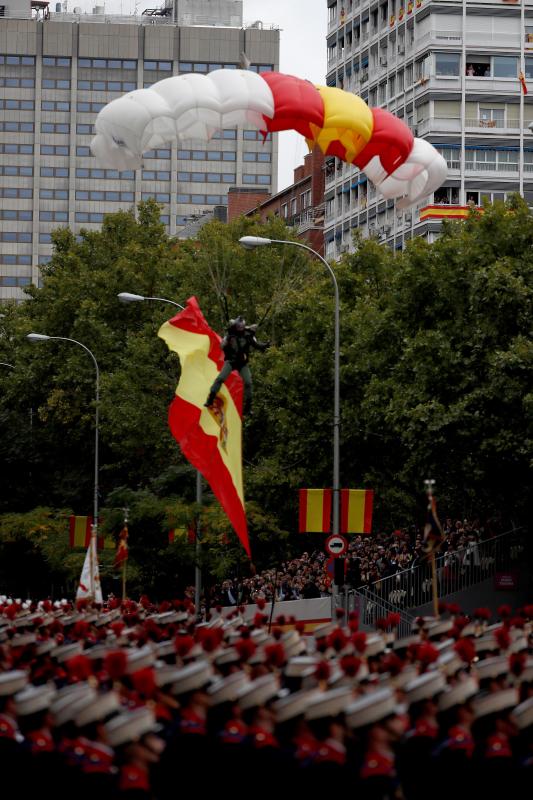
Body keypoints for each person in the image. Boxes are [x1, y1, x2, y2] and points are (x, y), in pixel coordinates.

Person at [204, 316, 270, 415]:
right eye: (238, 327)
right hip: (231, 361)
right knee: (220, 379)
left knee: (248, 383)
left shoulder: (248, 335)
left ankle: (248, 408)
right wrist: (228, 340)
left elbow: (257, 345)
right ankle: (210, 399)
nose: (240, 329)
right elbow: (222, 346)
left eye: (241, 327)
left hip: (242, 364)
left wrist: (265, 345)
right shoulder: (230, 335)